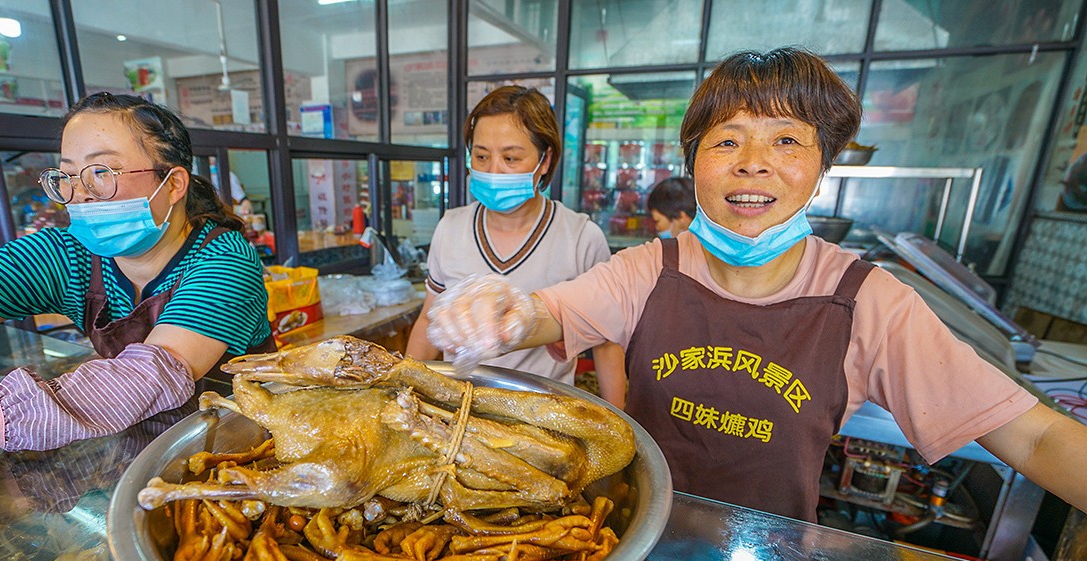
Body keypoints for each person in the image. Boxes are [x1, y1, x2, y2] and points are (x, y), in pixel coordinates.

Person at [424, 48, 1087, 521]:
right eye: (727, 141)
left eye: (786, 142)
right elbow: (544, 312)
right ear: (696, 163)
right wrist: (501, 310)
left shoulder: (865, 300)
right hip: (634, 536)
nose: (752, 166)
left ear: (820, 167)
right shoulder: (651, 267)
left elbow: (1032, 436)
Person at [0, 92, 273, 472]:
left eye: (101, 172)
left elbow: (152, 373)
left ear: (173, 184)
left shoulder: (224, 260)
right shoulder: (68, 254)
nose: (81, 195)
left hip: (234, 445)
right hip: (136, 441)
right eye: (67, 176)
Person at [405, 85, 627, 409]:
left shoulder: (581, 238)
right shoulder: (450, 228)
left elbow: (606, 342)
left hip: (542, 414)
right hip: (459, 409)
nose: (493, 170)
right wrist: (404, 389)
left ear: (545, 160)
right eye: (481, 156)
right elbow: (428, 321)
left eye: (510, 158)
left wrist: (619, 419)